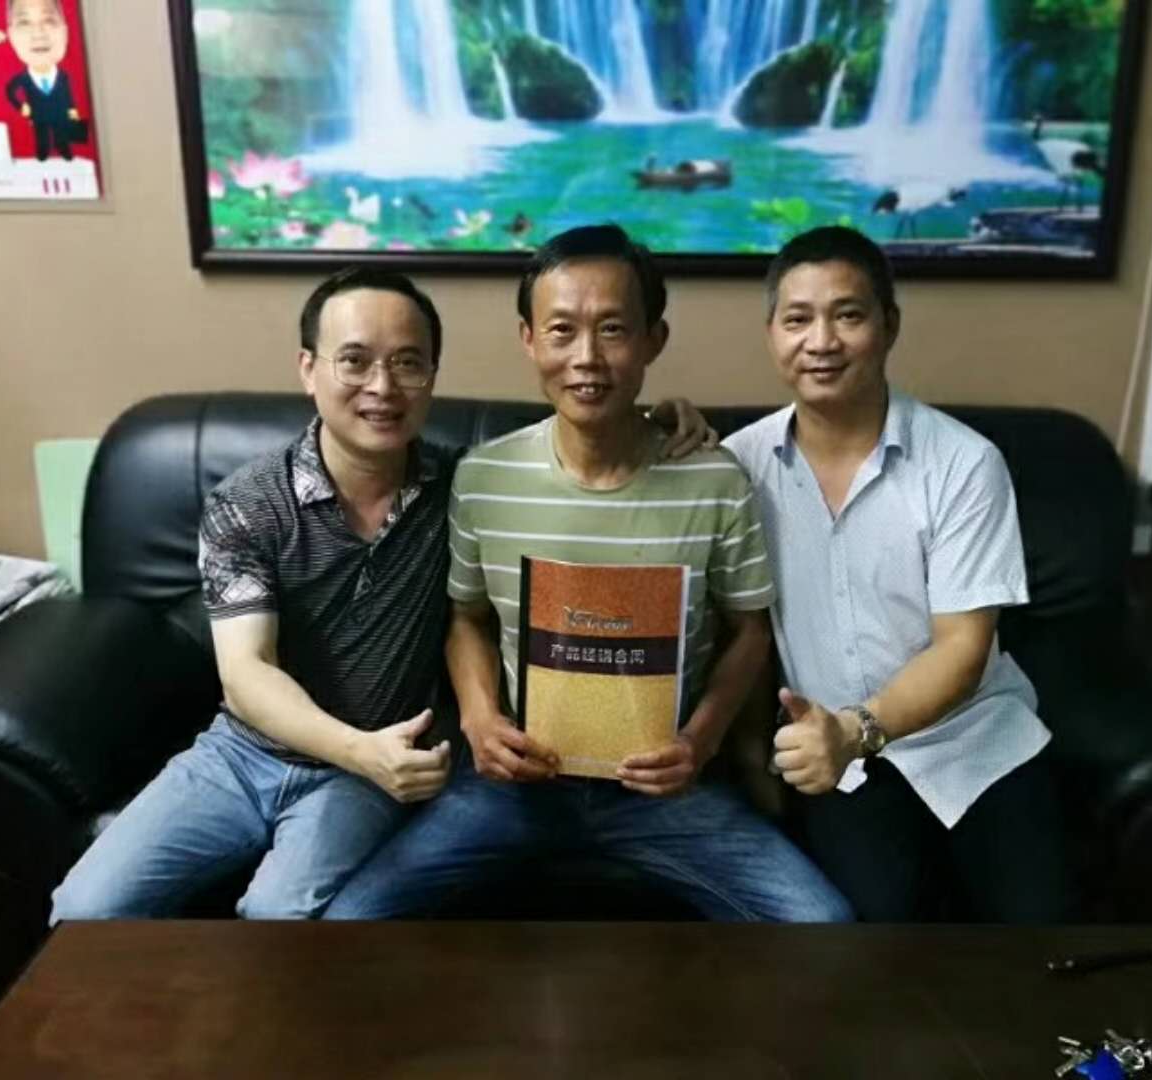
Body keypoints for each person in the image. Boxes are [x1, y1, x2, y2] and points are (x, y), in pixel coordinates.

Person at [49, 266, 715, 922]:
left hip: (369, 769)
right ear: (308, 369)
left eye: (407, 363)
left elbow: (578, 449)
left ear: (432, 375)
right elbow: (247, 672)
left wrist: (655, 419)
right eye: (355, 361)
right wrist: (358, 750)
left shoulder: (464, 490)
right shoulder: (247, 503)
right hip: (245, 754)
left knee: (281, 914)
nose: (383, 387)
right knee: (84, 909)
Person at [325, 225, 851, 922]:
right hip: (516, 785)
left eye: (613, 330)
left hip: (664, 790)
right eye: (562, 330)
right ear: (528, 338)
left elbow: (749, 630)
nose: (587, 358)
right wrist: (480, 719)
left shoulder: (715, 479)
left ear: (654, 339)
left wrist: (699, 742)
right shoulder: (483, 477)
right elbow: (466, 616)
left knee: (822, 925)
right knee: (352, 920)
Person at [724, 225, 1073, 923]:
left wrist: (854, 730)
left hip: (975, 742)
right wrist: (758, 752)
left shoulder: (964, 463)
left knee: (1042, 944)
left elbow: (963, 647)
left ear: (889, 326)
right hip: (841, 767)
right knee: (867, 952)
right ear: (771, 334)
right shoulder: (738, 466)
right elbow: (743, 628)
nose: (821, 341)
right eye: (798, 320)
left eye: (847, 316)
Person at [4, 0, 80, 161]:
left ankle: (64, 150)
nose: (38, 33)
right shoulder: (23, 79)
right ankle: (42, 153)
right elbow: (11, 91)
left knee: (61, 133)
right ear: (11, 35)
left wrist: (72, 111)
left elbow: (68, 96)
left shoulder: (64, 77)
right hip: (39, 114)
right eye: (25, 23)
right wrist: (21, 106)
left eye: (49, 21)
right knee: (41, 135)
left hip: (59, 113)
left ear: (65, 32)